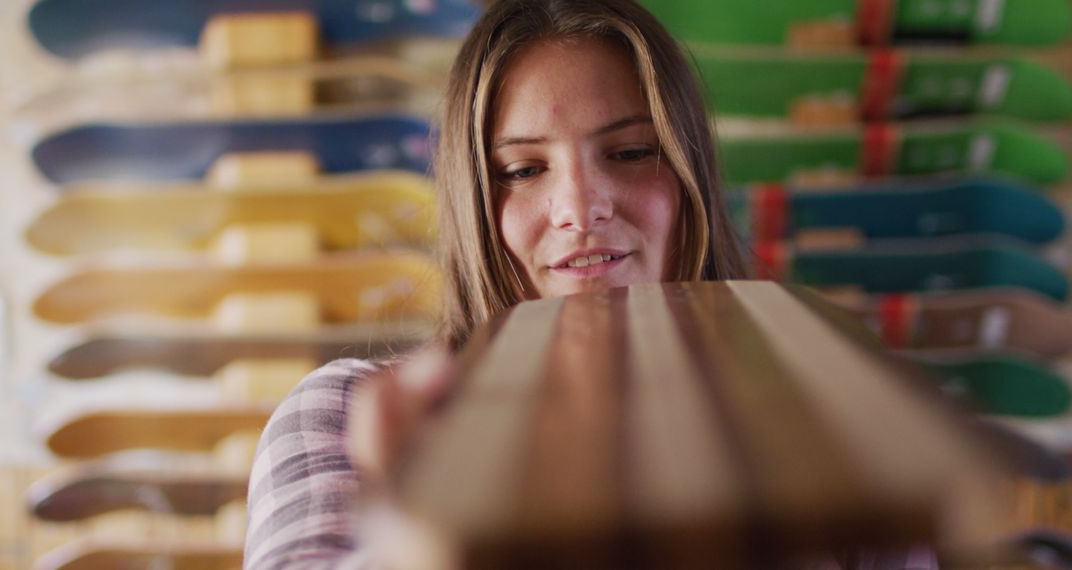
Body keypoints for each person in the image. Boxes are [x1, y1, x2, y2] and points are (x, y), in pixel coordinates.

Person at [243, 1, 938, 568]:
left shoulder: (837, 432)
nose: (582, 206)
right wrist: (417, 541)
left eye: (632, 152)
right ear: (472, 200)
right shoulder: (342, 416)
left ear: (691, 178)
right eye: (522, 170)